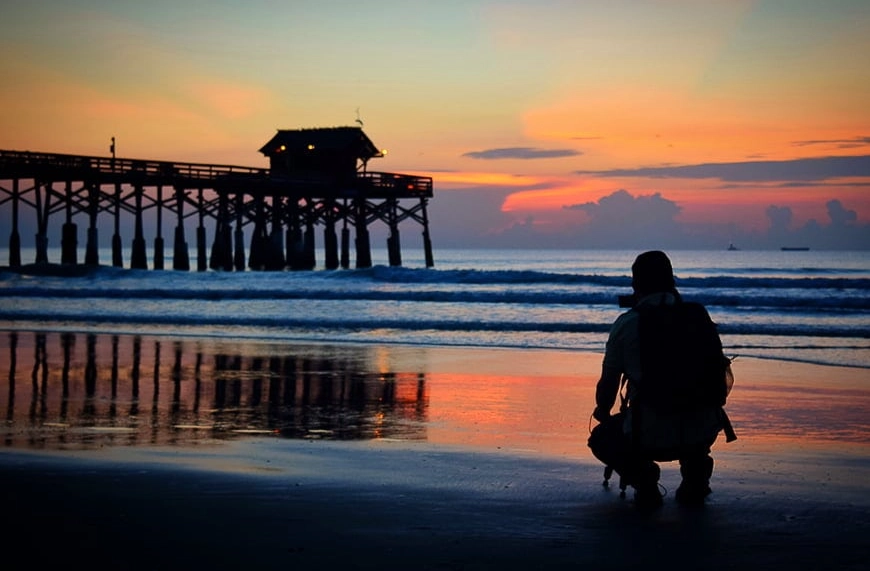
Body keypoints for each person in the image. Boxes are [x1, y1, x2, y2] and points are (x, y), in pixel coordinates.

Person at [591, 250, 734, 509]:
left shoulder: (627, 323)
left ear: (636, 284)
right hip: (703, 430)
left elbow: (608, 384)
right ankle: (696, 475)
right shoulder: (697, 318)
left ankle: (646, 482)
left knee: (600, 438)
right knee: (692, 429)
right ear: (671, 281)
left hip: (649, 435)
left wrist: (602, 410)